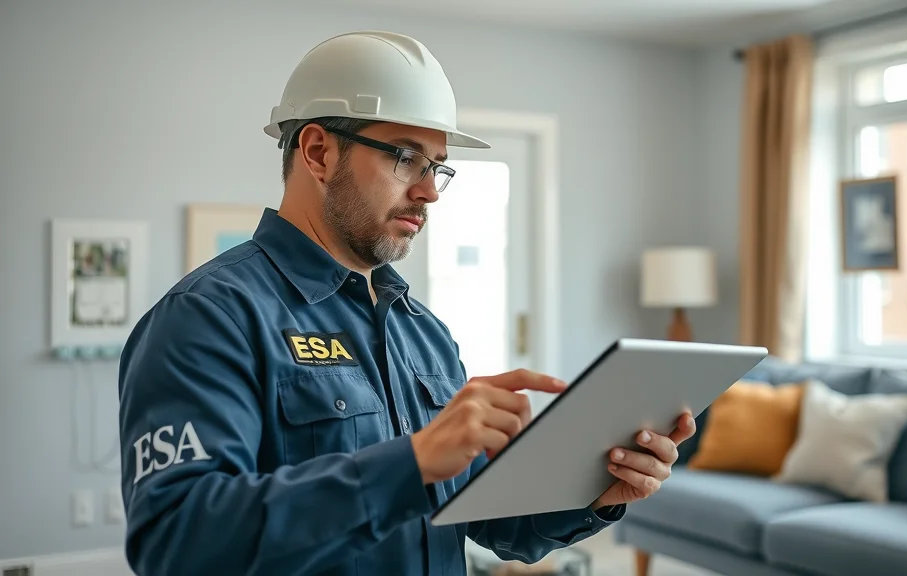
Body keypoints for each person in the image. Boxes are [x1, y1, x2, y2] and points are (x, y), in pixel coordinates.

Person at [117, 30, 696, 576]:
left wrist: (592, 491)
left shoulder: (425, 333)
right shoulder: (208, 318)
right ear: (317, 152)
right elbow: (177, 540)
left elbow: (487, 518)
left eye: (437, 167)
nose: (429, 191)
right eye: (404, 158)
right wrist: (409, 464)